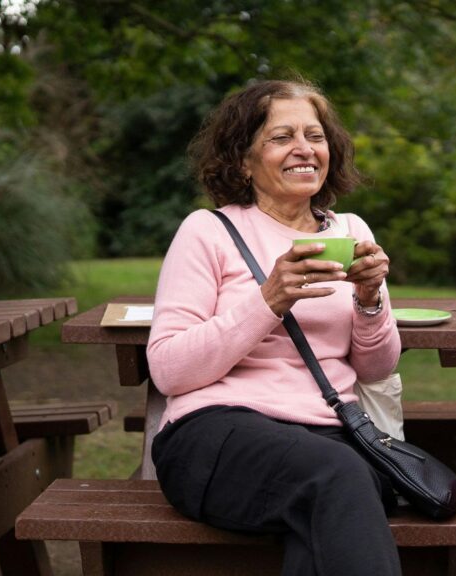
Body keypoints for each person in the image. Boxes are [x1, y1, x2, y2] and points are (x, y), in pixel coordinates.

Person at [146, 79, 402, 576]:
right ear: (243, 160)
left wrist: (370, 300)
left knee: (331, 504)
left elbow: (376, 365)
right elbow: (169, 371)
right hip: (217, 432)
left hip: (331, 435)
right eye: (281, 137)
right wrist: (268, 300)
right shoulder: (208, 231)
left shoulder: (352, 231)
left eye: (315, 135)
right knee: (340, 480)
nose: (304, 148)